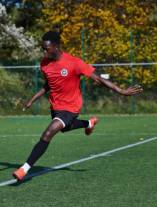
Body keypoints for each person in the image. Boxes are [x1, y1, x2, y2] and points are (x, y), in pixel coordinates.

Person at [12, 31, 142, 181]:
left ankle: (23, 169)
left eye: (46, 49)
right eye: (43, 48)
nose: (44, 51)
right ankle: (89, 123)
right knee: (65, 128)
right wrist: (32, 100)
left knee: (47, 134)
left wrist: (121, 90)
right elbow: (49, 83)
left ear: (56, 47)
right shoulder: (44, 63)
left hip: (71, 106)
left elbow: (98, 79)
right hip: (56, 106)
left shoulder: (74, 62)